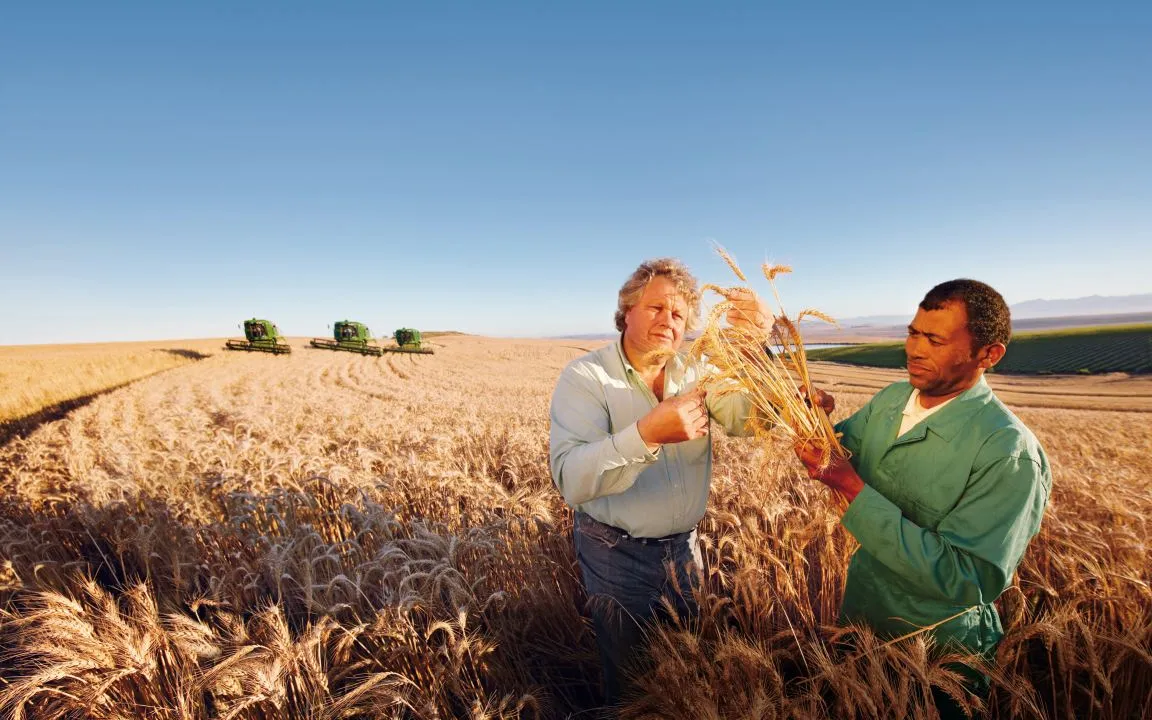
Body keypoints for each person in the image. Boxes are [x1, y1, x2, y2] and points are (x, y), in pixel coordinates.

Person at [795, 278, 1051, 717]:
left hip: (938, 651)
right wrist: (813, 420)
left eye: (935, 340)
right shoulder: (894, 398)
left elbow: (969, 578)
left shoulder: (1008, 453)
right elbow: (840, 453)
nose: (914, 349)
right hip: (860, 619)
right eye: (913, 333)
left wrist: (850, 487)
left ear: (989, 355)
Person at [548, 257, 778, 708]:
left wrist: (757, 348)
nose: (667, 321)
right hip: (614, 552)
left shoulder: (697, 371)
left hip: (686, 550)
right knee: (630, 682)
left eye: (678, 314)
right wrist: (647, 434)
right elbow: (571, 479)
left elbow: (748, 419)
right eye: (655, 308)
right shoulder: (586, 377)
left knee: (688, 669)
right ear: (626, 311)